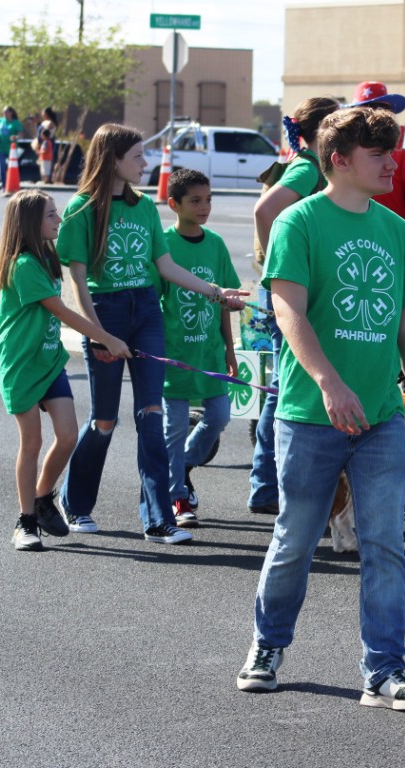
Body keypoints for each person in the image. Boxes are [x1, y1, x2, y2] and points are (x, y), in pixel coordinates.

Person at [236, 107, 405, 712]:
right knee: (296, 541)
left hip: (382, 419)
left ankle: (385, 672)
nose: (391, 163)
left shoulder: (399, 230)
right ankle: (268, 647)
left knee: (384, 545)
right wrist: (329, 383)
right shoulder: (298, 223)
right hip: (309, 416)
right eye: (377, 153)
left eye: (392, 151)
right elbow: (289, 313)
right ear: (339, 160)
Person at [56, 123, 246, 545]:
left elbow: (167, 269)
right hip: (105, 312)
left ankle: (159, 518)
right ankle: (75, 504)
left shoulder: (144, 208)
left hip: (145, 310)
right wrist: (99, 333)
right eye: (139, 157)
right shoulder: (81, 209)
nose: (147, 164)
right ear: (114, 160)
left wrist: (217, 293)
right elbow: (79, 282)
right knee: (104, 420)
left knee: (152, 416)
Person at [0, 190, 130, 551]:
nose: (58, 220)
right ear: (30, 224)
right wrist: (107, 339)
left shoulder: (46, 258)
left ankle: (42, 499)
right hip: (21, 363)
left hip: (50, 360)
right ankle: (25, 523)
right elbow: (62, 312)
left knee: (68, 435)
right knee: (32, 442)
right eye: (51, 215)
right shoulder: (22, 265)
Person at [248, 96, 340, 516]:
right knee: (284, 389)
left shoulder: (303, 164)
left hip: (286, 290)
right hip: (286, 293)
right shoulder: (307, 167)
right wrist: (277, 266)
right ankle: (268, 485)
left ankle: (268, 483)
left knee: (281, 386)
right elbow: (265, 210)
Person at [161, 169, 241, 527]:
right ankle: (178, 497)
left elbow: (225, 300)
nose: (204, 206)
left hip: (210, 353)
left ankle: (183, 465)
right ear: (174, 204)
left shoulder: (217, 245)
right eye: (195, 200)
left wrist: (230, 348)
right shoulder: (162, 245)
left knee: (220, 417)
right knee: (173, 428)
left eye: (208, 199)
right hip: (174, 356)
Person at [345, 81, 405, 219]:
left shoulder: (403, 141)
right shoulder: (346, 142)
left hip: (393, 232)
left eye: (379, 109)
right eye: (366, 110)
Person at [0, 106, 23, 193]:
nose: (4, 114)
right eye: (3, 112)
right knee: (2, 167)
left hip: (12, 149)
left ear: (11, 113)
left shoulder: (16, 123)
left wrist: (15, 137)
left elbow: (20, 135)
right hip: (1, 147)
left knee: (12, 167)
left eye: (6, 112)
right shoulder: (0, 121)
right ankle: (3, 185)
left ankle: (12, 184)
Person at [36, 108, 59, 183]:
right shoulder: (44, 122)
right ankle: (44, 178)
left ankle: (49, 179)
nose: (42, 114)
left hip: (48, 144)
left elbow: (46, 132)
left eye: (43, 113)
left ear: (47, 114)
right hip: (43, 143)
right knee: (43, 162)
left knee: (48, 162)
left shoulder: (50, 123)